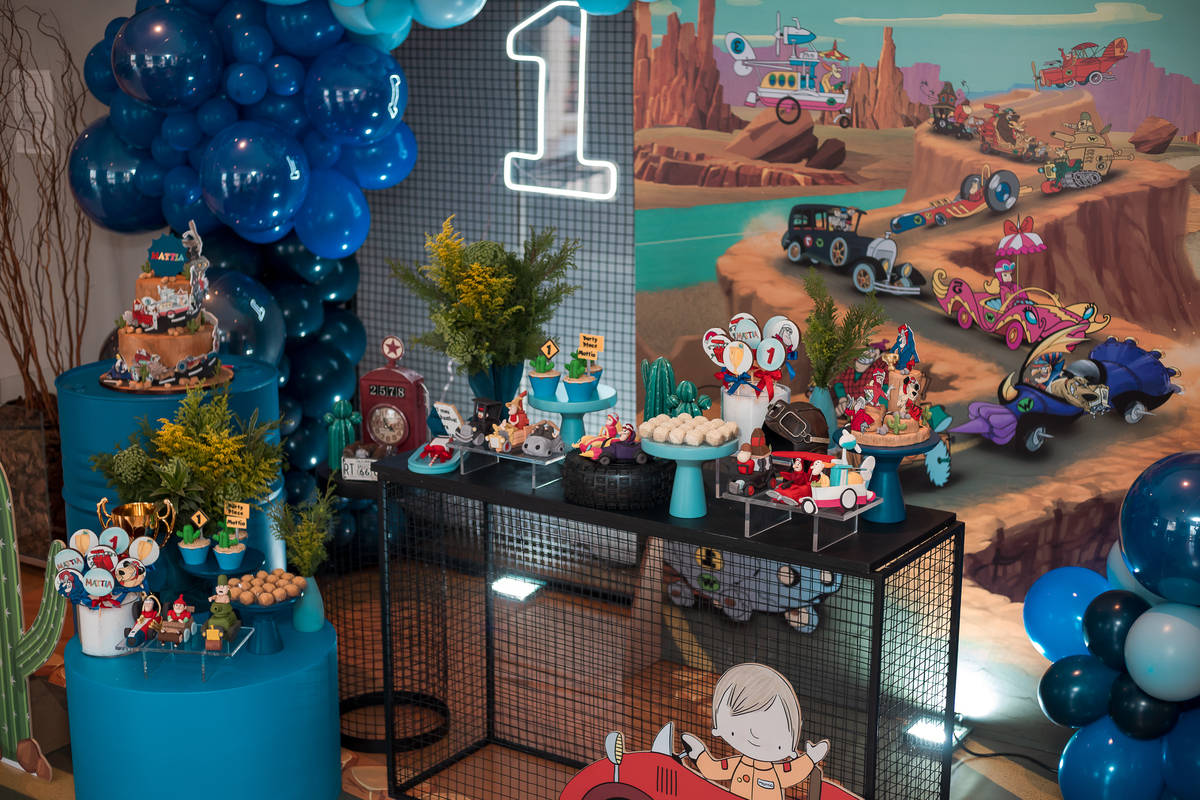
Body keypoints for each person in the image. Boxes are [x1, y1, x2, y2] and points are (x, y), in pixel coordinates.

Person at [681, 663, 829, 800]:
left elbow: (792, 773)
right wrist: (698, 753)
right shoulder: (737, 765)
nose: (754, 734)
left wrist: (810, 758)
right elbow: (713, 769)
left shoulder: (775, 772)